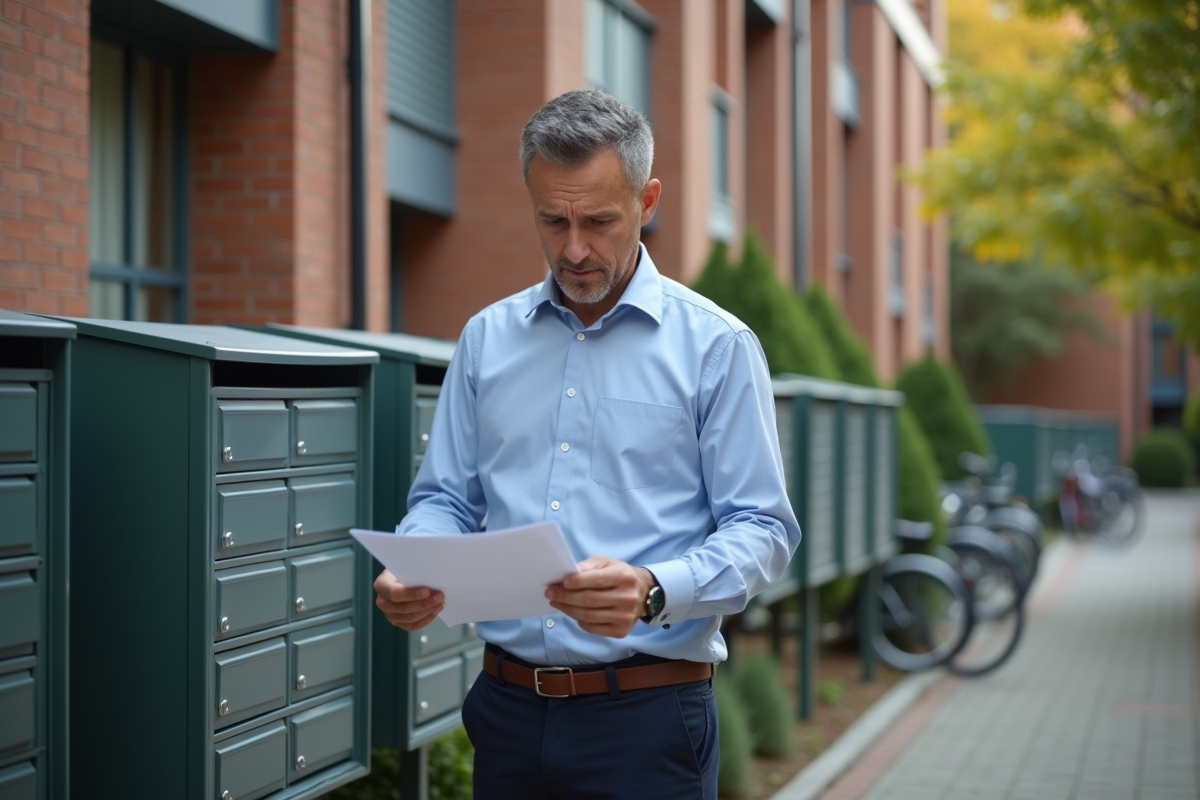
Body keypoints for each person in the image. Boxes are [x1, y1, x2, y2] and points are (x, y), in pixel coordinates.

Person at [374, 88, 801, 800]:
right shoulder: (487, 340)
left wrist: (656, 590)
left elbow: (764, 530)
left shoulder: (716, 347)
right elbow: (445, 497)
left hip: (648, 720)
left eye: (599, 221)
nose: (574, 248)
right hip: (506, 712)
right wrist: (417, 562)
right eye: (553, 220)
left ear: (648, 199)